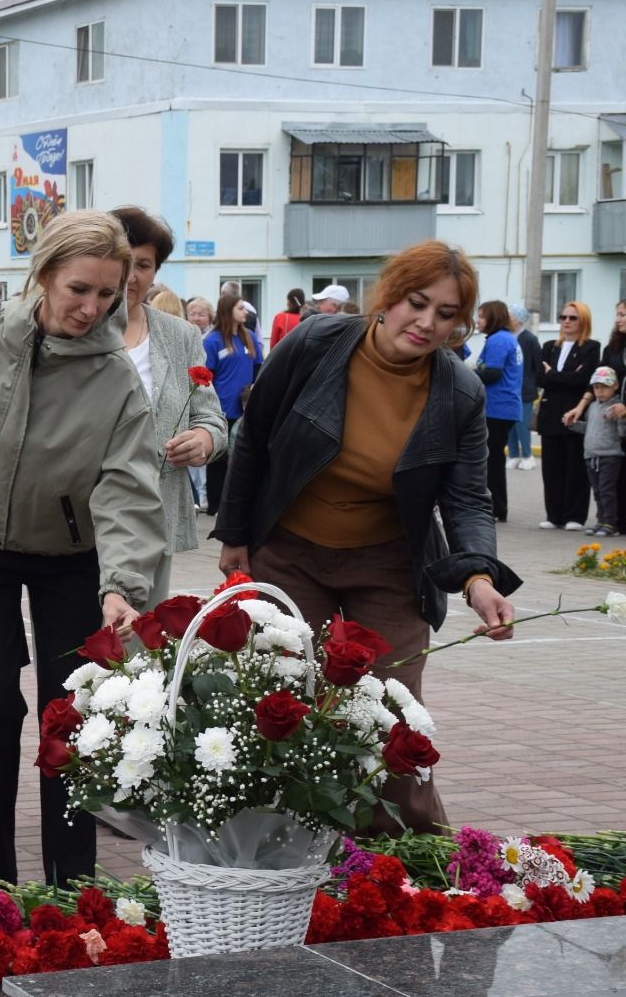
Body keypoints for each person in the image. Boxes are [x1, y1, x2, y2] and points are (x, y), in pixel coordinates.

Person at [212, 239, 519, 834]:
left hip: (390, 563)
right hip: (290, 553)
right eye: (417, 302)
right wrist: (235, 534)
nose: (427, 322)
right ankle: (277, 854)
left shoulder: (460, 392)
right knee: (282, 703)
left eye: (447, 313)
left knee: (393, 716)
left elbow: (466, 497)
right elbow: (253, 438)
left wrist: (479, 578)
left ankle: (409, 861)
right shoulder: (315, 343)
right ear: (389, 297)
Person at [0, 209, 166, 887]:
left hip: (71, 562)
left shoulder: (115, 377)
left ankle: (70, 881)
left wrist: (122, 585)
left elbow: (128, 487)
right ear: (44, 274)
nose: (92, 306)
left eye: (107, 294)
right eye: (79, 288)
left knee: (69, 716)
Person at [111, 206, 227, 602]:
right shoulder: (74, 329)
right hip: (78, 522)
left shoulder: (180, 336)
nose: (131, 275)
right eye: (122, 261)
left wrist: (202, 439)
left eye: (143, 264)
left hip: (154, 516)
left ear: (155, 273)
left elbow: (211, 416)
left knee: (141, 648)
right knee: (79, 653)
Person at [537, 301, 599, 531]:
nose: (566, 322)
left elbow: (583, 380)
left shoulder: (591, 347)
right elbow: (540, 379)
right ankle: (554, 514)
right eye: (563, 317)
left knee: (575, 468)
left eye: (572, 318)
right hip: (550, 412)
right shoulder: (549, 346)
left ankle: (575, 515)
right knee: (551, 467)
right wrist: (563, 377)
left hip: (575, 413)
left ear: (583, 321)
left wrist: (554, 375)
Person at [201, 293, 263, 515]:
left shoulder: (250, 338)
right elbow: (206, 375)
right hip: (221, 408)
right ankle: (215, 504)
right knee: (218, 458)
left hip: (245, 408)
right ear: (228, 311)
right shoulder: (213, 340)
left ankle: (237, 502)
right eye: (240, 308)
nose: (245, 311)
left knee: (242, 456)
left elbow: (258, 368)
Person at [474, 301, 522, 523]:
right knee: (493, 459)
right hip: (503, 407)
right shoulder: (505, 338)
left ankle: (494, 508)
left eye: (482, 316)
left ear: (492, 318)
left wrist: (469, 372)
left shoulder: (498, 340)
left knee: (491, 460)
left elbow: (492, 373)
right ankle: (496, 507)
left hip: (498, 407)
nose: (478, 321)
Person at [567, 367, 626, 537]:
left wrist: (621, 418)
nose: (600, 391)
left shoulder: (616, 407)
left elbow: (622, 433)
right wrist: (573, 424)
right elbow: (588, 428)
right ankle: (601, 520)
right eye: (596, 387)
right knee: (598, 492)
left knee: (607, 491)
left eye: (604, 387)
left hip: (610, 456)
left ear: (615, 386)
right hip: (590, 456)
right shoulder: (592, 406)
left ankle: (610, 522)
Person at [506, 304, 541, 471]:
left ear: (519, 320)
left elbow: (537, 366)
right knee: (510, 424)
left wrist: (533, 385)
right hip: (508, 390)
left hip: (525, 390)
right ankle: (513, 455)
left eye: (510, 316)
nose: (507, 319)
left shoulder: (530, 339)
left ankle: (527, 455)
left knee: (522, 424)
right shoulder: (506, 337)